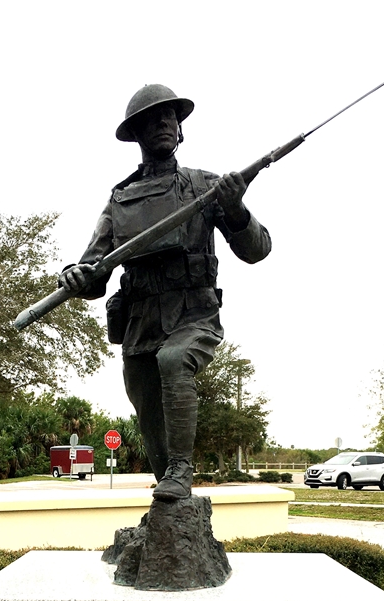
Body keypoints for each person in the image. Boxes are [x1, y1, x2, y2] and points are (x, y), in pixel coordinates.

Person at [59, 84, 271, 500]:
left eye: (169, 117)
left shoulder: (206, 188)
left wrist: (236, 209)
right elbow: (94, 269)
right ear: (135, 135)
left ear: (179, 129)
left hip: (193, 315)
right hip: (140, 323)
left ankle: (182, 469)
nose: (162, 125)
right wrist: (76, 275)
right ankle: (171, 498)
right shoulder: (119, 201)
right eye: (151, 120)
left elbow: (257, 249)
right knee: (153, 430)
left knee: (174, 362)